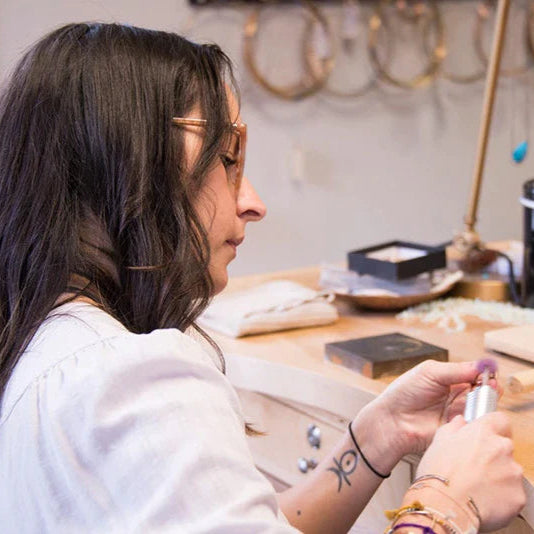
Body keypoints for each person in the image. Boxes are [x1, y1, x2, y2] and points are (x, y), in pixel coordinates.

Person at [0, 22, 525, 534]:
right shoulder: (130, 384)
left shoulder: (47, 340)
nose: (252, 203)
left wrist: (375, 437)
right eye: (225, 159)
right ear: (130, 165)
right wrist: (446, 500)